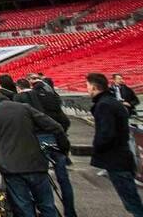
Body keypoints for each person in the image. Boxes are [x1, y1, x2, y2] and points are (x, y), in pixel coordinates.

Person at [0, 89, 69, 217]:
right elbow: (56, 126)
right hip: (36, 164)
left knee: (24, 207)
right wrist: (63, 149)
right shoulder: (25, 108)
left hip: (11, 168)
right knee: (47, 206)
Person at [14, 78, 76, 217]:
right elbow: (63, 120)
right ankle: (70, 212)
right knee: (63, 179)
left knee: (39, 180)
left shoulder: (20, 100)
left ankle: (48, 211)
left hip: (37, 140)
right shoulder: (49, 97)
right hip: (55, 138)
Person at [87, 73, 143, 217]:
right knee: (130, 198)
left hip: (116, 158)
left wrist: (97, 148)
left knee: (131, 200)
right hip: (121, 156)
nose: (87, 89)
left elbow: (106, 134)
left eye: (87, 85)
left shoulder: (104, 105)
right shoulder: (110, 101)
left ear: (94, 87)